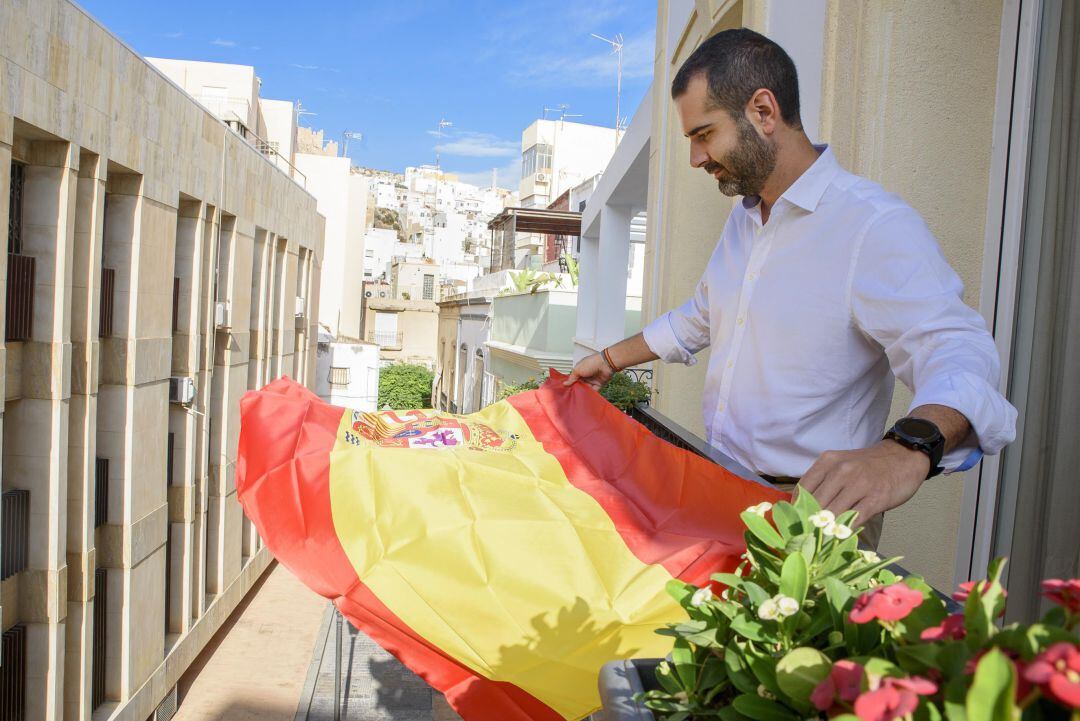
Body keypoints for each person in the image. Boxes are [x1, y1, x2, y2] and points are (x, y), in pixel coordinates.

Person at [565, 28, 1017, 548]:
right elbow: (702, 315)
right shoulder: (743, 220)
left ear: (762, 111)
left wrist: (906, 449)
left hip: (811, 517)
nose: (695, 158)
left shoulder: (871, 225)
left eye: (703, 135)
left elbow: (960, 352)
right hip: (722, 488)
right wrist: (610, 358)